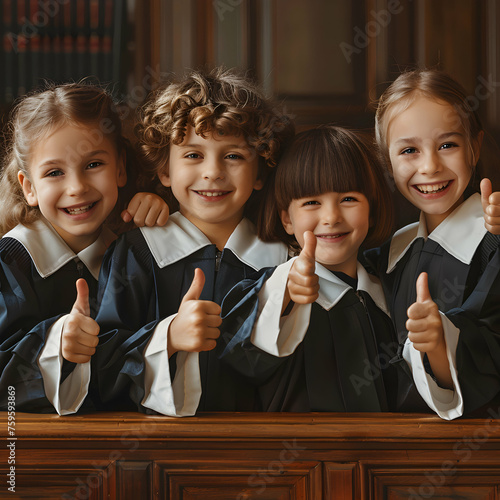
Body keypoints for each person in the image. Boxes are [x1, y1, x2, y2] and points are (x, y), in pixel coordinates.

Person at [219, 125, 461, 417]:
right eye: (311, 202)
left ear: (370, 210)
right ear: (287, 219)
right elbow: (240, 363)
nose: (331, 217)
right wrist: (285, 295)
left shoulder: (393, 290)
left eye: (348, 199)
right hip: (301, 460)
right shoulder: (274, 295)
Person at [92, 68, 295, 415]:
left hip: (263, 448)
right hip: (154, 449)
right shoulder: (136, 254)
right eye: (193, 155)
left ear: (259, 172)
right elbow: (102, 362)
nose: (212, 172)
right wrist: (167, 338)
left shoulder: (285, 263)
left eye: (233, 155)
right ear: (165, 170)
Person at [0, 83, 170, 414]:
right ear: (29, 187)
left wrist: (160, 224)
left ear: (120, 167)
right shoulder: (12, 260)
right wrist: (54, 341)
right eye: (54, 173)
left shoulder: (134, 252)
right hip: (32, 449)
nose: (77, 187)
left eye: (93, 165)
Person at [366, 68, 500, 416]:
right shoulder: (387, 256)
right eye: (409, 150)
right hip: (390, 448)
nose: (430, 166)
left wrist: (441, 344)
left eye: (447, 145)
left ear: (475, 147)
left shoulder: (493, 244)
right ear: (387, 161)